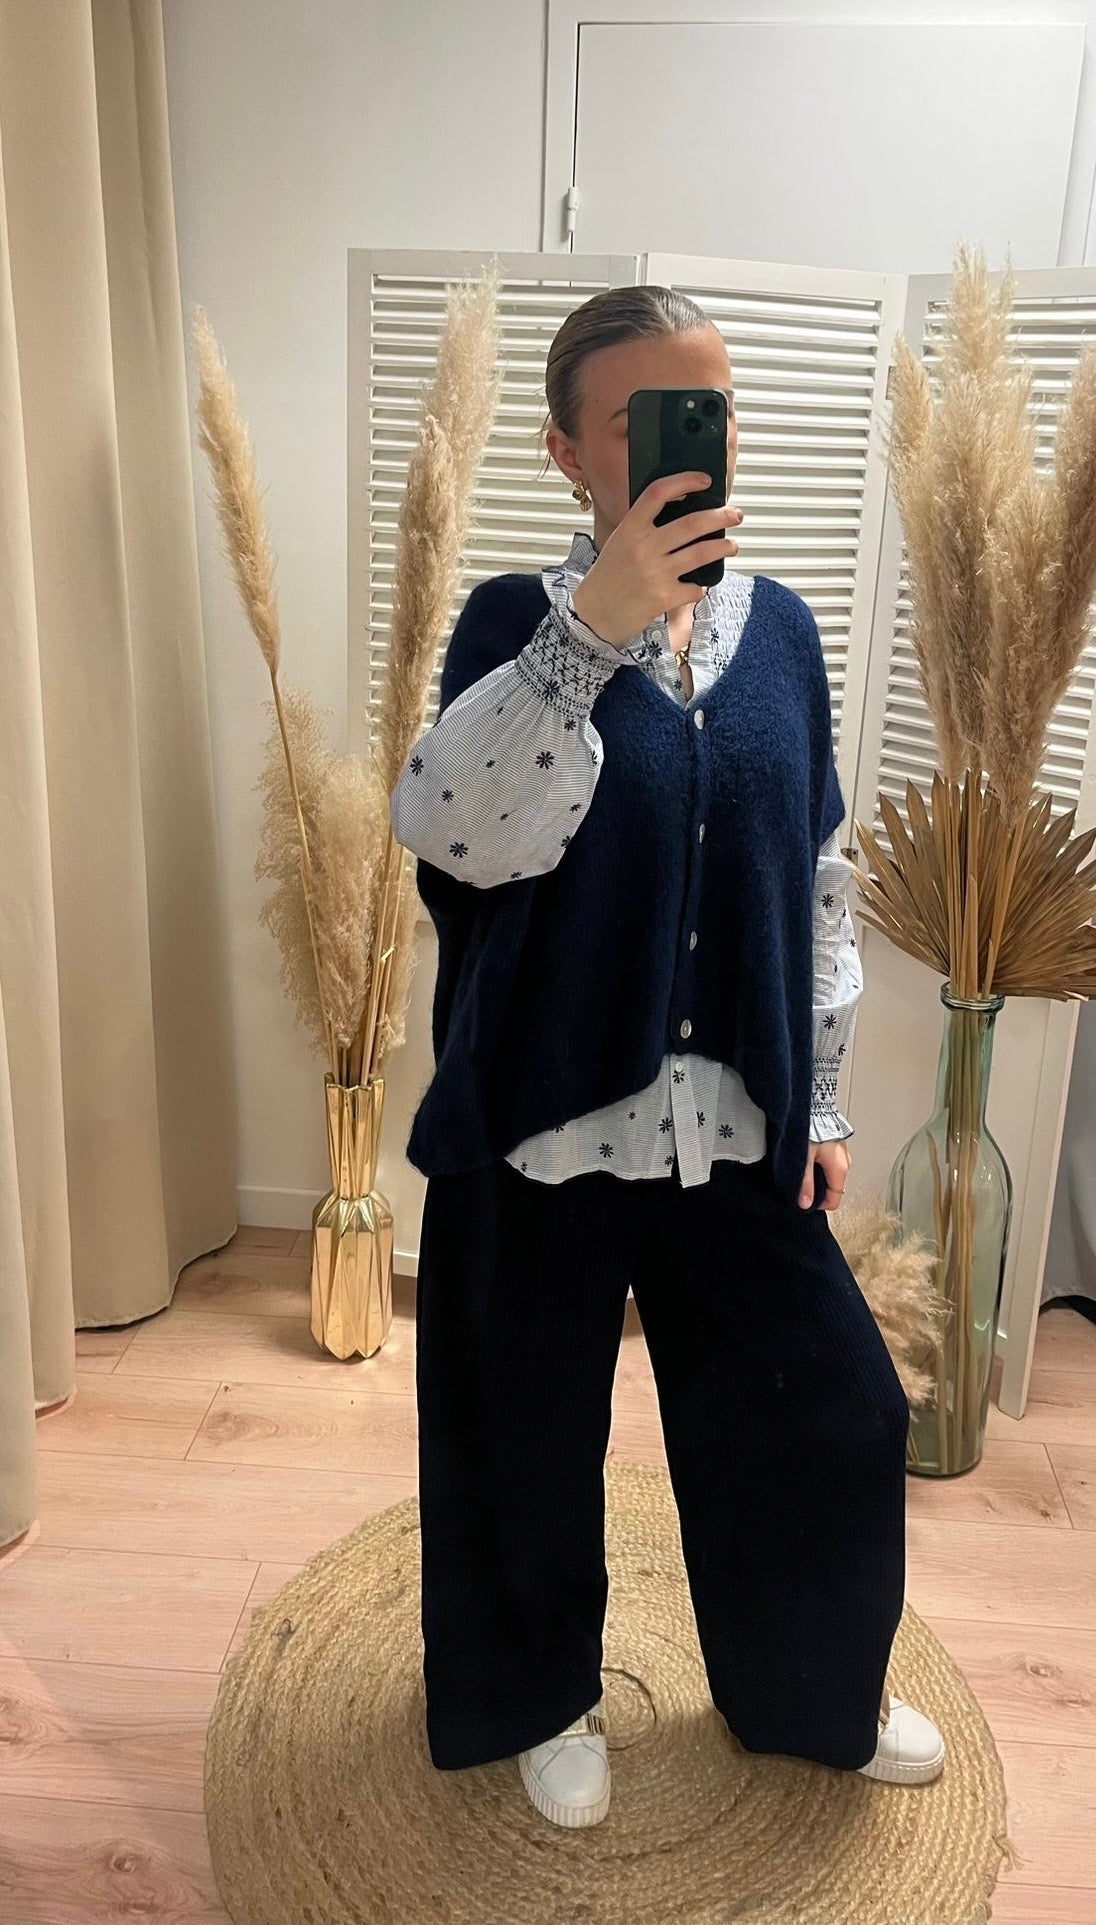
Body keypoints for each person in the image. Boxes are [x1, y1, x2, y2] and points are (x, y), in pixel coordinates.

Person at [390, 285, 945, 1830]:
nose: (682, 446)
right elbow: (452, 833)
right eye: (639, 420)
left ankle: (810, 1690)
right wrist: (592, 631)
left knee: (831, 1407)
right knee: (521, 1431)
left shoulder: (785, 637)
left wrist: (821, 1092)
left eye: (706, 410)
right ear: (571, 451)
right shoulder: (514, 625)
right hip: (543, 1124)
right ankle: (536, 1694)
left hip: (732, 1125)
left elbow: (816, 879)